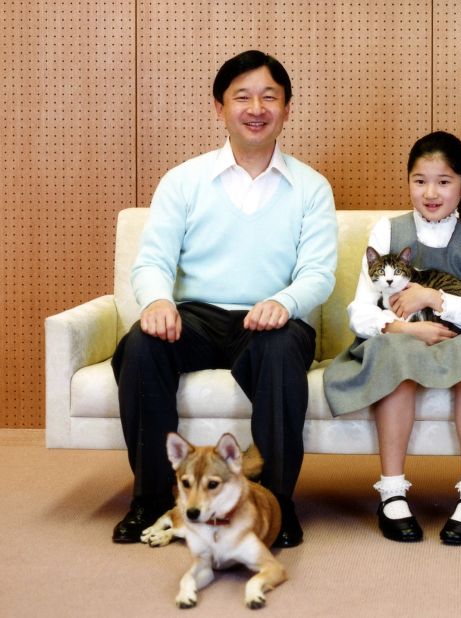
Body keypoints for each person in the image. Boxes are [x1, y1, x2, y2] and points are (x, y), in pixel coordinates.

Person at [110, 50, 337, 548]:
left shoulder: (311, 187)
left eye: (269, 97)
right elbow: (152, 262)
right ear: (220, 108)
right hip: (195, 317)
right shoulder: (184, 180)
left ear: (287, 108)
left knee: (280, 352)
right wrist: (156, 302)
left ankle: (276, 503)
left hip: (271, 317)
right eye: (242, 97)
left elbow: (318, 273)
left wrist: (286, 302)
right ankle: (150, 500)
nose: (256, 108)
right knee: (141, 346)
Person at [323, 131, 461, 545]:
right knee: (398, 350)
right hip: (402, 335)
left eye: (443, 181)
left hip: (458, 337)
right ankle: (391, 492)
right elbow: (360, 309)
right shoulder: (387, 231)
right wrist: (406, 327)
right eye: (419, 180)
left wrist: (433, 298)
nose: (430, 192)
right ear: (408, 181)